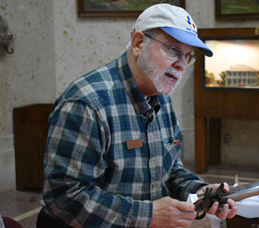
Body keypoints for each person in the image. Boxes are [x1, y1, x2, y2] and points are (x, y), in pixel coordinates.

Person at [36, 3, 237, 228]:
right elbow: (64, 196)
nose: (181, 64)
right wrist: (149, 215)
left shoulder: (162, 99)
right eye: (173, 50)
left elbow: (170, 170)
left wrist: (200, 191)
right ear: (138, 43)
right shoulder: (87, 104)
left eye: (187, 56)